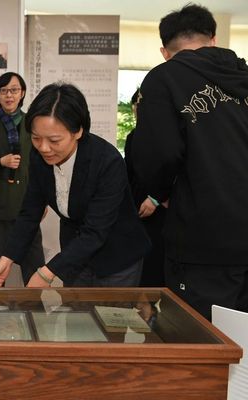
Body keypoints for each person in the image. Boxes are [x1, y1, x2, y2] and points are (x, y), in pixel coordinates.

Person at [131, 4, 248, 320]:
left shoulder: (164, 78)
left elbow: (158, 154)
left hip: (204, 240)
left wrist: (157, 192)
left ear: (164, 51)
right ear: (213, 39)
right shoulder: (243, 75)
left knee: (202, 334)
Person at [0, 82, 150, 289]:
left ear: (78, 131)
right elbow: (30, 212)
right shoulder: (38, 157)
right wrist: (6, 259)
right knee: (76, 309)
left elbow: (95, 231)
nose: (44, 148)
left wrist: (46, 273)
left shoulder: (106, 161)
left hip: (116, 256)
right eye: (36, 138)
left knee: (109, 310)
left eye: (54, 140)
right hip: (74, 258)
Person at [0, 72, 44, 284]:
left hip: (28, 206)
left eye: (14, 90)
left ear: (22, 93)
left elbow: (43, 165)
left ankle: (35, 305)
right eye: (4, 91)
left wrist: (44, 200)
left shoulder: (34, 124)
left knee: (35, 269)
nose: (9, 95)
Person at [124, 89, 166, 287]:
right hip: (136, 205)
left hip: (160, 206)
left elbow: (171, 170)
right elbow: (128, 173)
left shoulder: (166, 136)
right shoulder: (133, 136)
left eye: (142, 104)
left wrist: (156, 198)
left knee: (155, 258)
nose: (138, 109)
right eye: (136, 105)